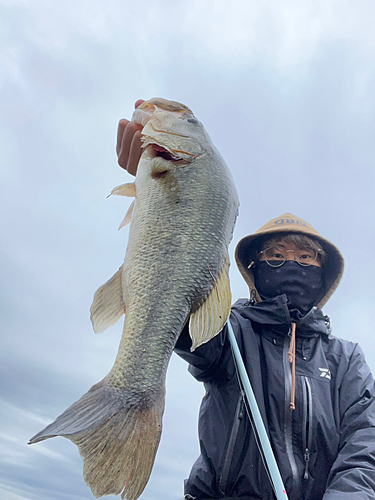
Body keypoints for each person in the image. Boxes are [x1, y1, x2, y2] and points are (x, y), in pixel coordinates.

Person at [117, 101, 375, 500]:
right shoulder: (230, 333)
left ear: (323, 273)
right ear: (255, 268)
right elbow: (186, 325)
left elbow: (366, 446)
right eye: (276, 255)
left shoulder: (347, 360)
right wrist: (155, 187)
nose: (292, 263)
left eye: (306, 257)